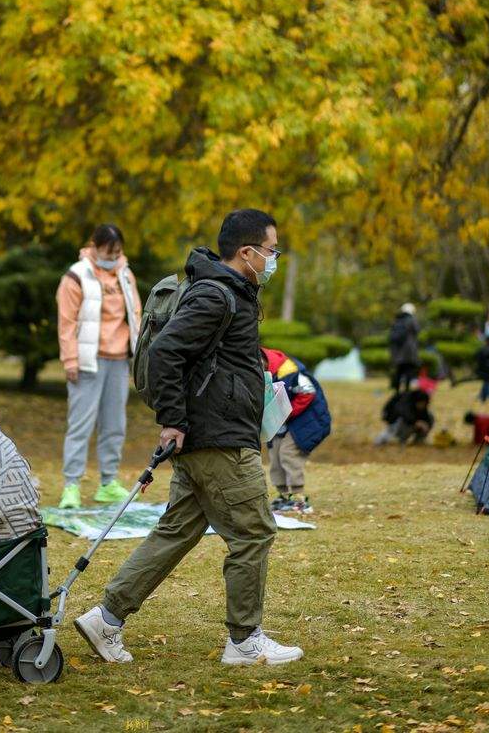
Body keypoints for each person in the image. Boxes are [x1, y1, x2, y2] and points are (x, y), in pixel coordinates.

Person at [74, 209, 303, 667]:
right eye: (272, 251)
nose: (274, 259)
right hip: (217, 440)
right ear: (248, 252)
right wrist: (173, 420)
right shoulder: (217, 295)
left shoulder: (232, 292)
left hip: (214, 434)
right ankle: (244, 640)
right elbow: (164, 354)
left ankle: (107, 619)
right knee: (254, 532)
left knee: (175, 533)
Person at [56, 223, 142, 509]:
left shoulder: (126, 275)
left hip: (119, 361)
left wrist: (138, 352)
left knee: (115, 425)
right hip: (87, 362)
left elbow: (136, 315)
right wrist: (70, 359)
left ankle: (108, 482)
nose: (113, 256)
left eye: (117, 251)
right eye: (108, 251)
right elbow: (67, 322)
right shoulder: (76, 276)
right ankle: (71, 485)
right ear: (94, 246)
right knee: (80, 425)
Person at [264, 348, 331, 514]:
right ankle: (284, 495)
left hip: (308, 421)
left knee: (288, 453)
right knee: (275, 452)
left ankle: (298, 496)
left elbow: (308, 392)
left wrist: (287, 411)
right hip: (282, 422)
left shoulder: (290, 370)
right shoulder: (262, 375)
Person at [388, 303, 420, 391]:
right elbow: (417, 331)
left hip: (398, 351)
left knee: (399, 371)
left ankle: (397, 390)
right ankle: (406, 390)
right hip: (409, 352)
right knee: (408, 371)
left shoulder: (397, 320)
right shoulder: (412, 320)